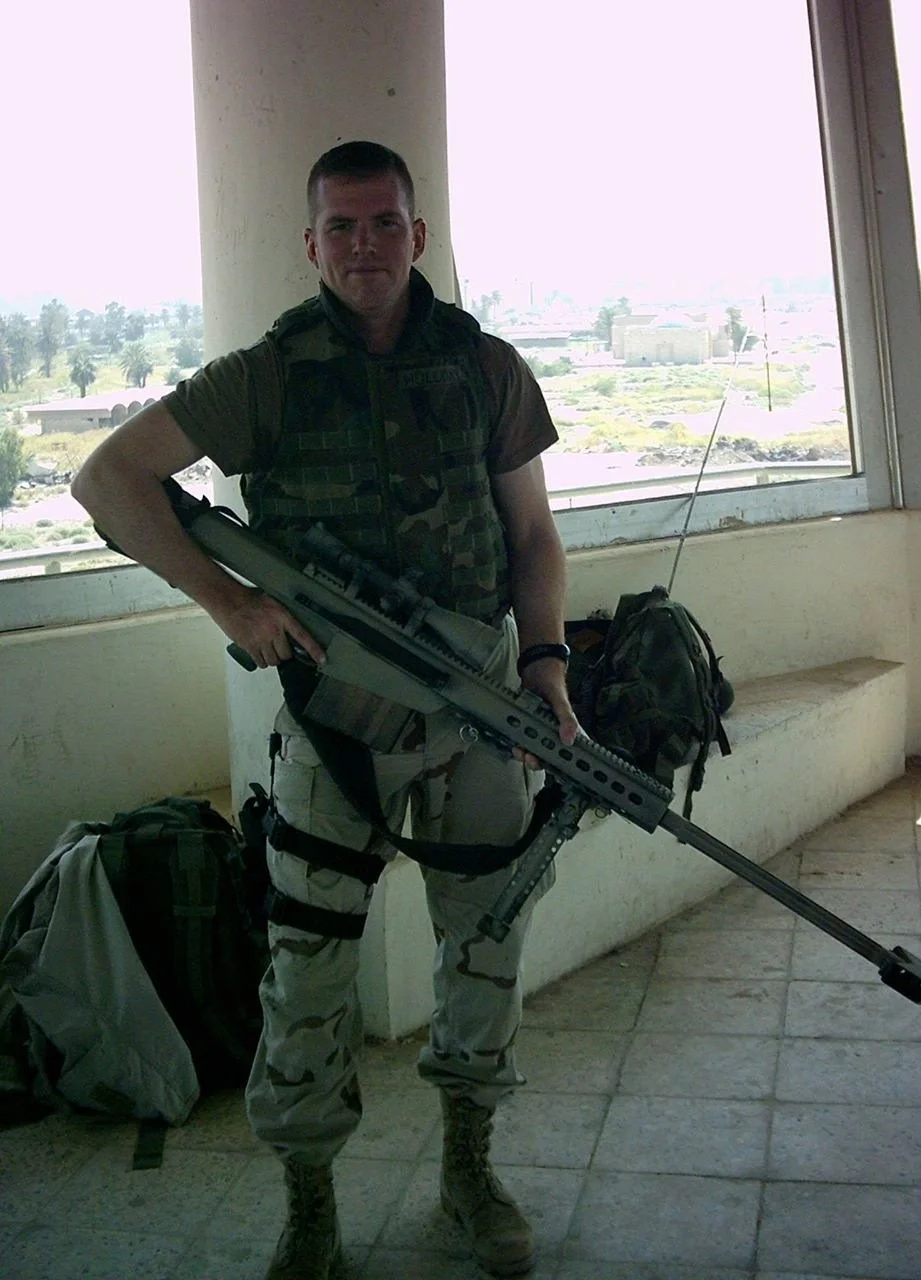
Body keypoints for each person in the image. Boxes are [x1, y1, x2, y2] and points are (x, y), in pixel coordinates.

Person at [72, 140, 579, 1280]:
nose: (364, 245)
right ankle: (310, 1202)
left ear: (419, 233)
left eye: (384, 222)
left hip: (478, 710)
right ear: (312, 243)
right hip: (332, 725)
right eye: (341, 227)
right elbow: (109, 479)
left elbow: (533, 534)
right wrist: (229, 600)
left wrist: (545, 661)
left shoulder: (485, 367)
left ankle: (466, 1165)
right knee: (305, 969)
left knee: (486, 948)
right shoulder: (266, 375)